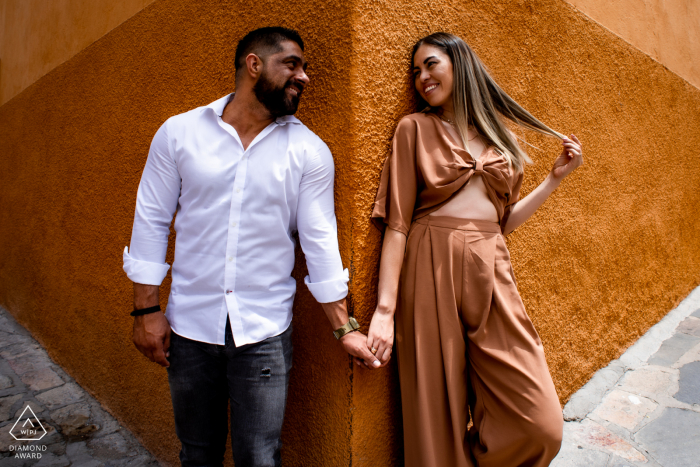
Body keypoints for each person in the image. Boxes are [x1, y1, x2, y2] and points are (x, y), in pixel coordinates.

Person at [123, 27, 380, 467]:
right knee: (197, 453)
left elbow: (320, 244)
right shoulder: (179, 133)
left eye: (305, 68)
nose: (304, 77)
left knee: (259, 457)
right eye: (292, 64)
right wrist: (147, 312)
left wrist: (345, 328)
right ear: (254, 64)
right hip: (189, 326)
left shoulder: (309, 152)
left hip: (264, 332)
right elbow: (151, 220)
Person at [367, 32, 583, 467]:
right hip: (429, 265)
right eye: (415, 71)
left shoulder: (500, 142)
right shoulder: (415, 129)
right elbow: (397, 225)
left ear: (459, 64)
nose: (421, 78)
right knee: (434, 411)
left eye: (431, 64)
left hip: (491, 265)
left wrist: (554, 178)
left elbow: (501, 224)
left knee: (541, 424)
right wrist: (384, 312)